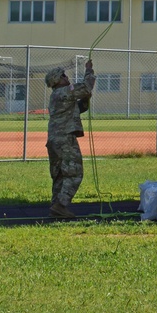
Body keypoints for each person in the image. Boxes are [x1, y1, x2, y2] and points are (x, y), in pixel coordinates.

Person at [45, 60, 95, 220]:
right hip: (65, 139)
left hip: (54, 140)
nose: (67, 78)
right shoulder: (63, 91)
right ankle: (61, 205)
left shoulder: (58, 96)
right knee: (74, 173)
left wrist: (86, 98)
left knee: (60, 174)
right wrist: (89, 70)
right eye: (63, 76)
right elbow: (86, 86)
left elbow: (79, 108)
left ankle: (56, 206)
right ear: (57, 80)